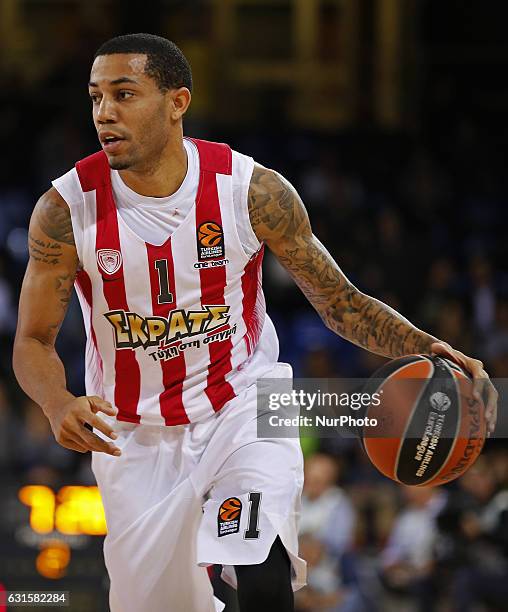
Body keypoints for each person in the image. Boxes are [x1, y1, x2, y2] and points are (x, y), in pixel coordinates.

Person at [12, 33, 498, 612]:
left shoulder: (251, 191)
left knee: (258, 560)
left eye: (124, 94)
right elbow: (33, 341)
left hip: (244, 406)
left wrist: (430, 346)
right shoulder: (65, 209)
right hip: (135, 438)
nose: (104, 113)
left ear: (177, 102)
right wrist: (57, 403)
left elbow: (338, 302)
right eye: (95, 98)